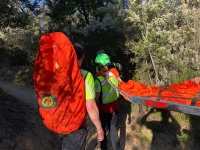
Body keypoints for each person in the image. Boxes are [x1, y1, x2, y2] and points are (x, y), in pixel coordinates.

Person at [71, 43, 104, 150]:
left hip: (61, 124)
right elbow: (90, 106)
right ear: (83, 57)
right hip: (77, 125)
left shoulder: (59, 75)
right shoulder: (86, 76)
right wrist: (99, 128)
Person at [94, 53, 122, 150]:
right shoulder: (114, 75)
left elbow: (96, 98)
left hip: (103, 110)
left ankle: (103, 147)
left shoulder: (98, 79)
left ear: (99, 65)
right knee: (113, 129)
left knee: (101, 129)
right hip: (114, 108)